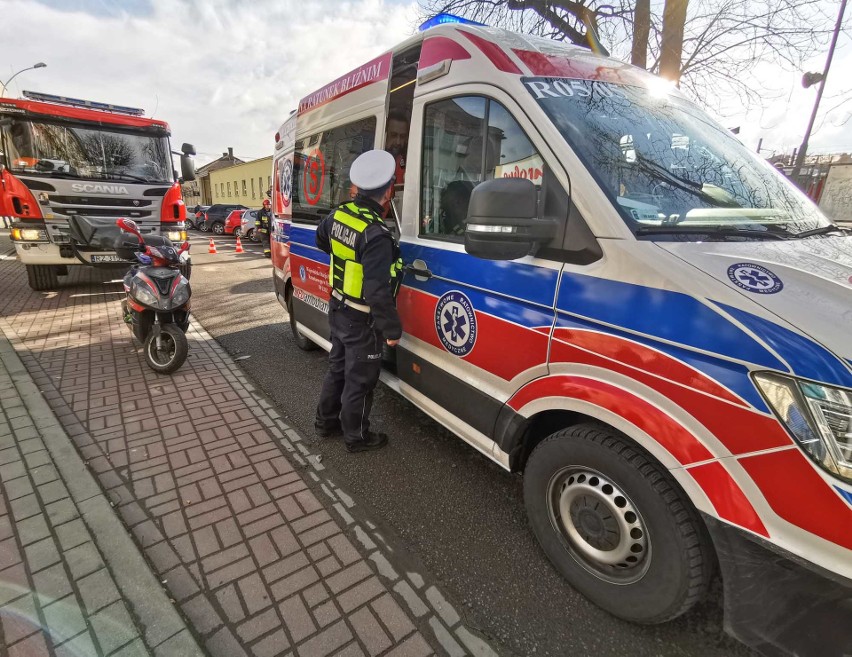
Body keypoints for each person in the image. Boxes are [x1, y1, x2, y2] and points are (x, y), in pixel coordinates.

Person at [314, 150, 403, 453]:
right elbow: (378, 290)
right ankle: (357, 437)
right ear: (388, 190)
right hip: (361, 318)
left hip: (338, 307)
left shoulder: (339, 214)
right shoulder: (376, 234)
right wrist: (391, 331)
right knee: (361, 380)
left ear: (358, 188)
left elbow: (322, 240)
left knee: (337, 368)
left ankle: (326, 422)